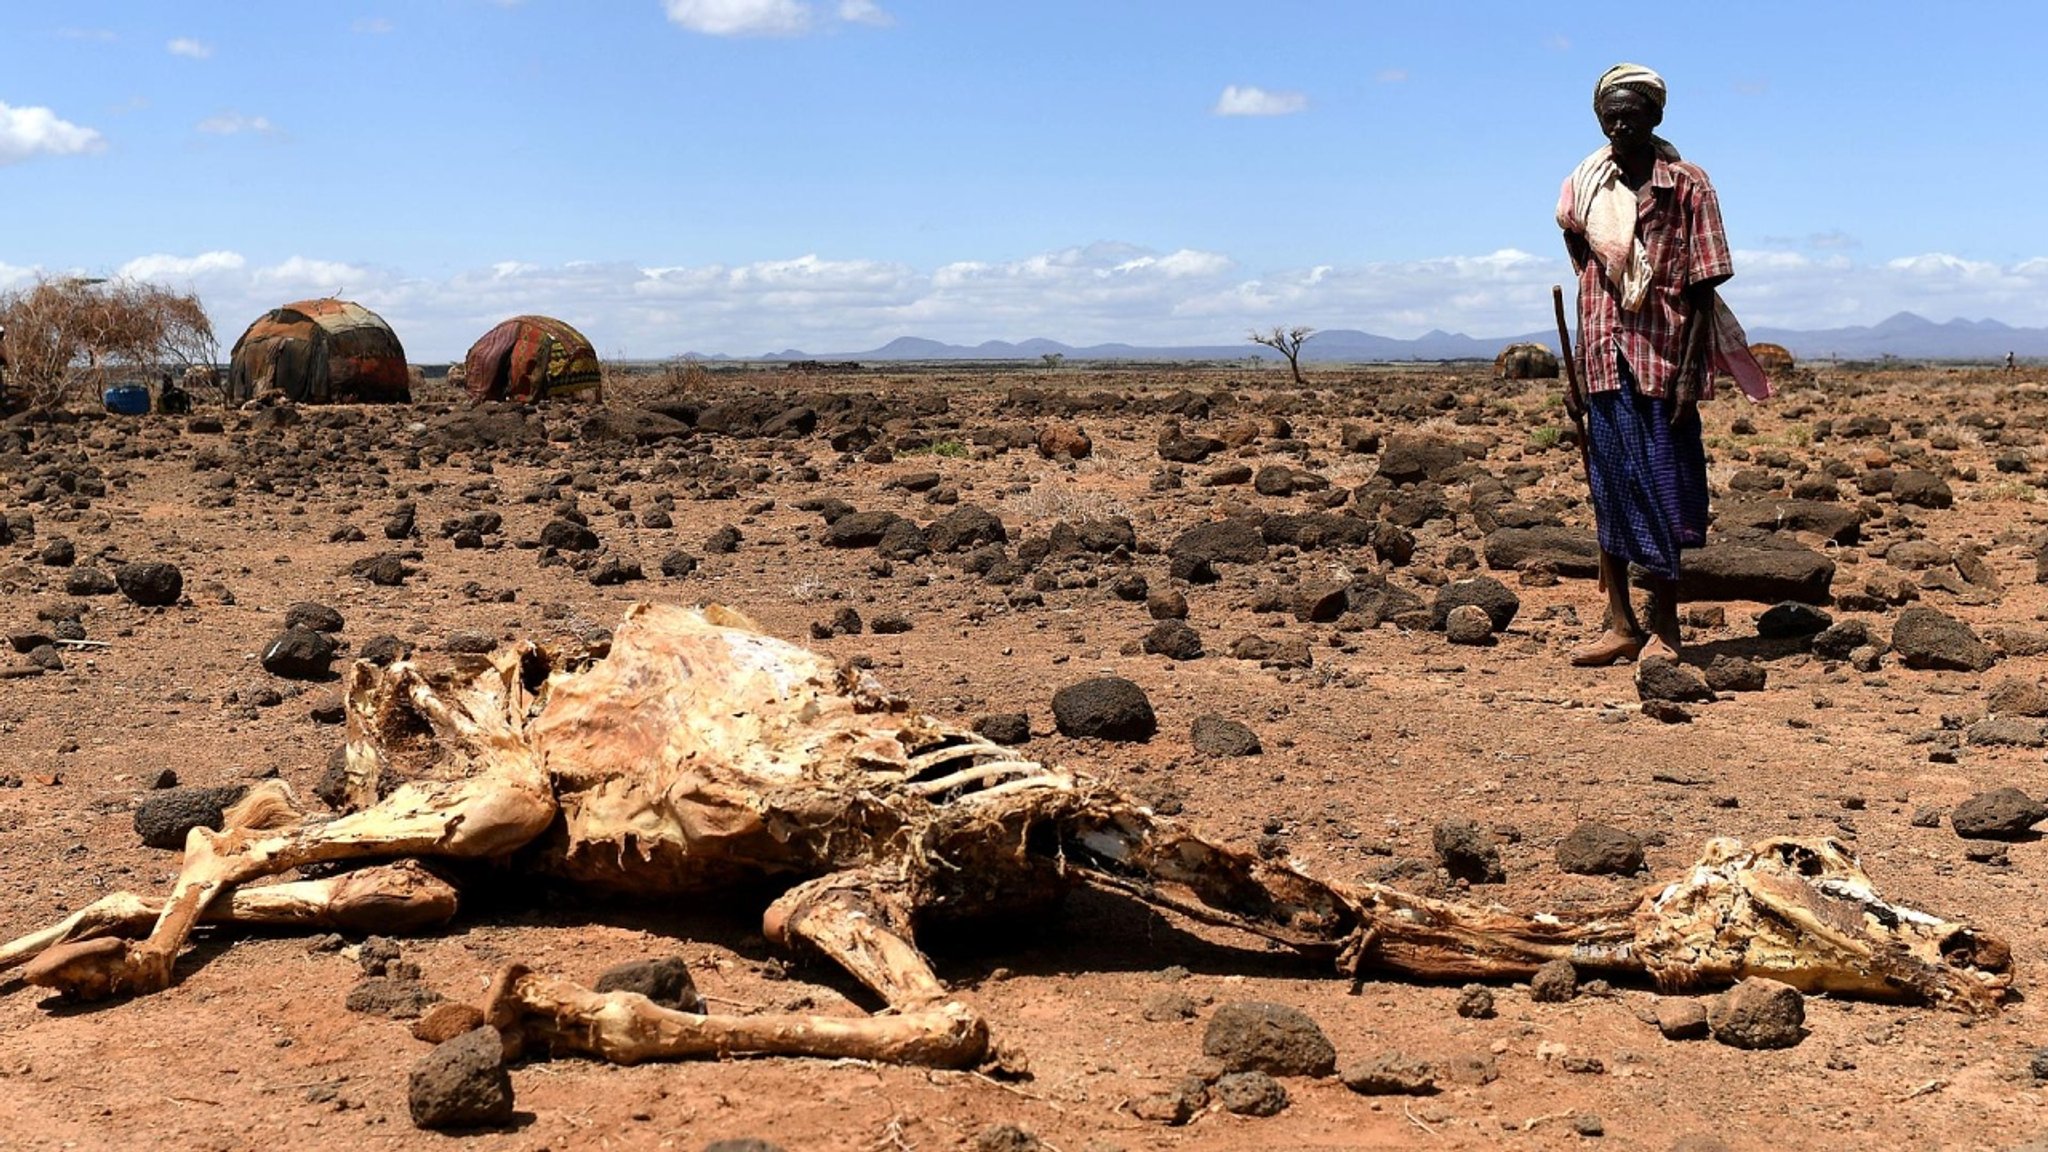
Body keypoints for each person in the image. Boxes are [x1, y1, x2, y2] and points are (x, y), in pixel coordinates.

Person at [1556, 63, 1770, 666]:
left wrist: (1686, 375)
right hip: (1602, 361)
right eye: (1610, 115)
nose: (1621, 124)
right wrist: (1574, 371)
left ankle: (1666, 628)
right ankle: (1619, 623)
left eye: (1633, 114)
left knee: (1666, 491)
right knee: (1611, 490)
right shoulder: (1583, 188)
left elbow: (1703, 290)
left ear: (1656, 116)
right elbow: (1587, 281)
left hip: (1663, 360)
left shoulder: (1689, 185)